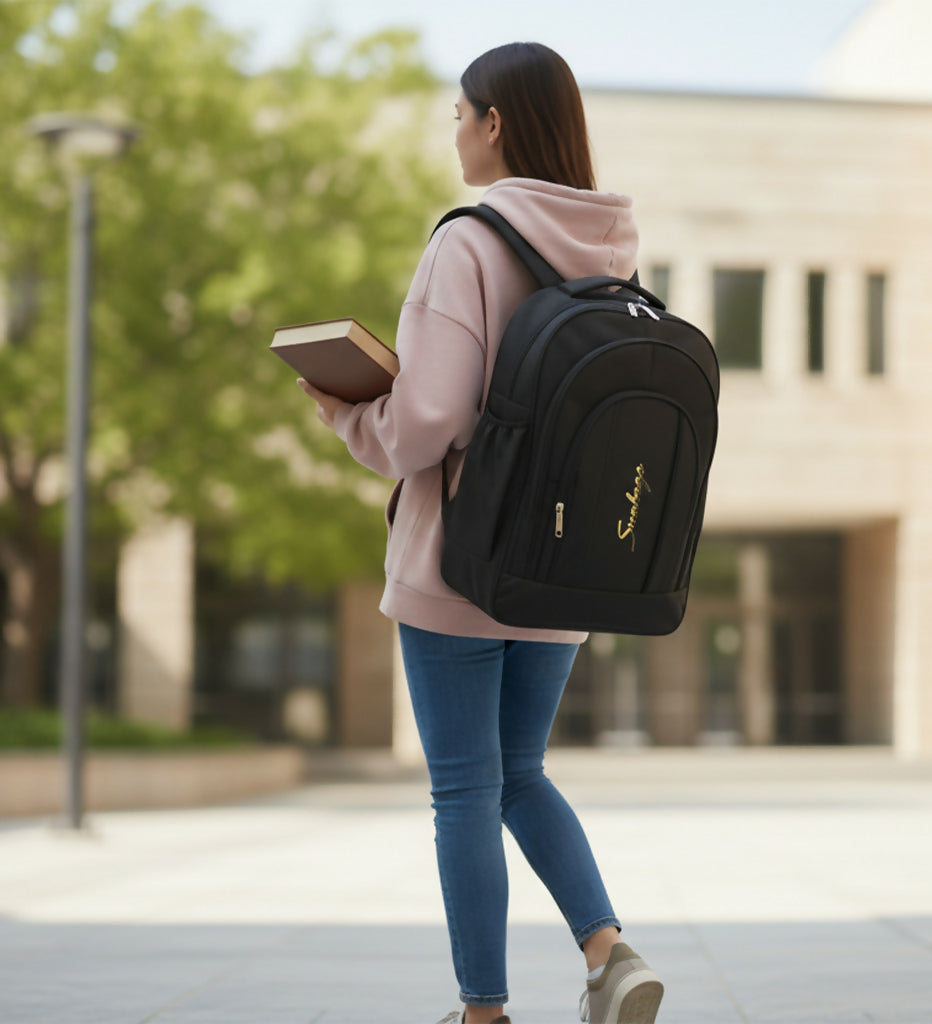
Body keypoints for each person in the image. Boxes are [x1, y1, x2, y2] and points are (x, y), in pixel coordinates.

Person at [298, 41, 663, 1024]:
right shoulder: (612, 248)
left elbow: (423, 425)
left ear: (495, 121)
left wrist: (343, 411)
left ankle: (483, 1014)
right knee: (521, 773)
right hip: (563, 565)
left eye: (461, 113)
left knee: (464, 788)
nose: (454, 130)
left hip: (459, 560)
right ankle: (608, 951)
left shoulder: (466, 241)